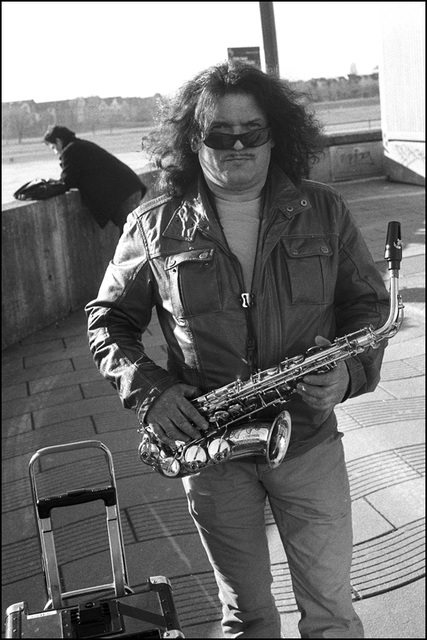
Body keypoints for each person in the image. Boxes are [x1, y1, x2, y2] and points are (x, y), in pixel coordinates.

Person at [85, 62, 390, 638]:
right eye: (219, 134)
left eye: (252, 131)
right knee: (246, 617)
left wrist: (348, 375)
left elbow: (369, 308)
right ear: (191, 141)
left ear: (276, 133)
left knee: (332, 614)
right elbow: (107, 321)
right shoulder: (153, 224)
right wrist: (152, 394)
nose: (238, 145)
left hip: (308, 443)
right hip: (210, 450)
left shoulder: (324, 210)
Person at [43, 125, 146, 233]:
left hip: (124, 194)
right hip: (128, 189)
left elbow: (67, 181)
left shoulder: (70, 150)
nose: (55, 152)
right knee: (132, 235)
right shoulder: (79, 145)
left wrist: (51, 185)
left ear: (58, 141)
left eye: (53, 148)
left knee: (130, 237)